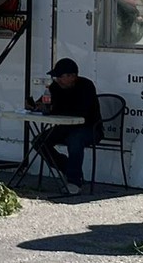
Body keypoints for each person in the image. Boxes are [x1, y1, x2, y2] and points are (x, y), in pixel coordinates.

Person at [35, 57, 102, 195]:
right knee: (39, 141)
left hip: (89, 128)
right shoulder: (55, 87)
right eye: (56, 77)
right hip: (65, 127)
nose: (58, 80)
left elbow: (81, 112)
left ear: (73, 76)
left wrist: (54, 109)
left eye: (61, 76)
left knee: (75, 140)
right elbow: (43, 102)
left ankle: (74, 181)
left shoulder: (86, 86)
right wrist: (35, 106)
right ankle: (66, 167)